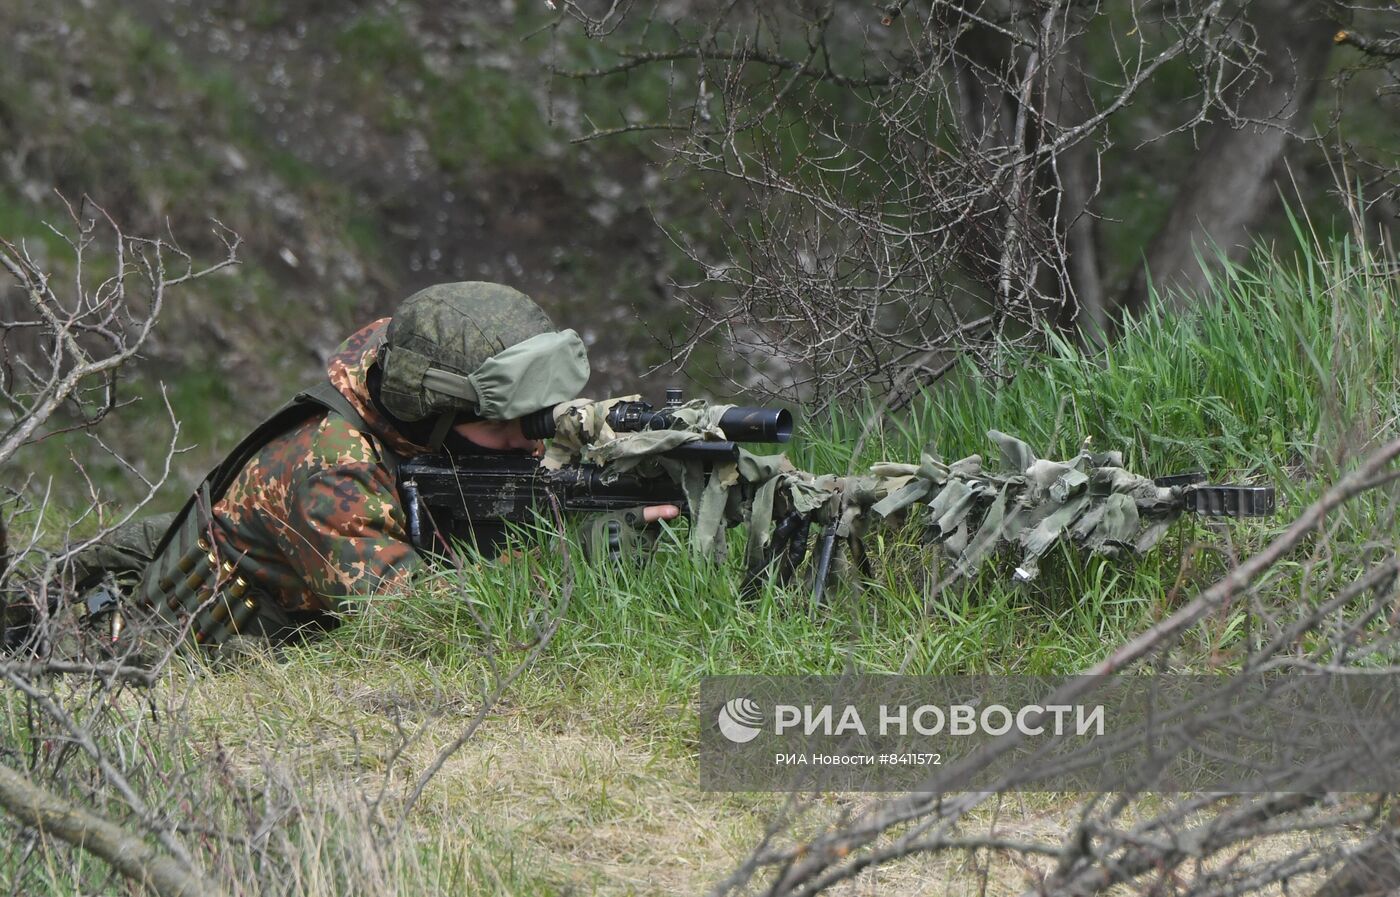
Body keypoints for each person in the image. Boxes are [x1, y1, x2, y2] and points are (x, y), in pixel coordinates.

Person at [61, 281, 677, 653]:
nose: (531, 442)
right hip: (167, 657)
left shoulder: (410, 413)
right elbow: (417, 621)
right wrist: (578, 552)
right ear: (433, 411)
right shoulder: (330, 470)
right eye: (507, 424)